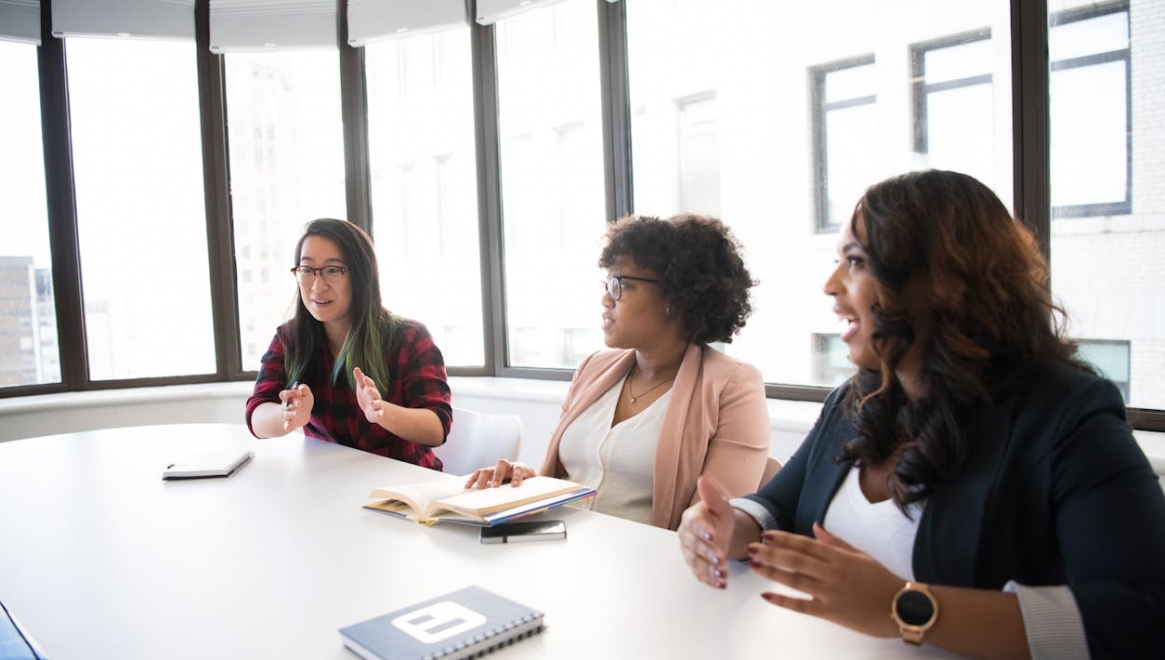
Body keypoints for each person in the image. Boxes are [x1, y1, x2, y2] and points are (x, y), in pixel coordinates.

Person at [677, 170, 1165, 658]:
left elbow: (1138, 616)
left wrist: (903, 607)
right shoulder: (857, 398)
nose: (830, 285)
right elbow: (777, 509)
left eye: (855, 262)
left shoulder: (1068, 416)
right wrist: (725, 526)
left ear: (941, 281)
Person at [465, 214, 773, 531]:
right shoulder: (592, 369)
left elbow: (712, 526)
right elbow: (567, 479)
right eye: (606, 284)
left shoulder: (733, 385)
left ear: (676, 298)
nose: (605, 299)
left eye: (619, 286)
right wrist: (526, 482)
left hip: (647, 569)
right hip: (555, 550)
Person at [246, 218, 452, 469]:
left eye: (333, 270)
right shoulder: (290, 339)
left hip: (402, 491)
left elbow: (437, 428)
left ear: (361, 276)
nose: (317, 286)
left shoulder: (409, 338)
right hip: (330, 486)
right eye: (307, 270)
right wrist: (286, 415)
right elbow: (257, 415)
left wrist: (381, 412)